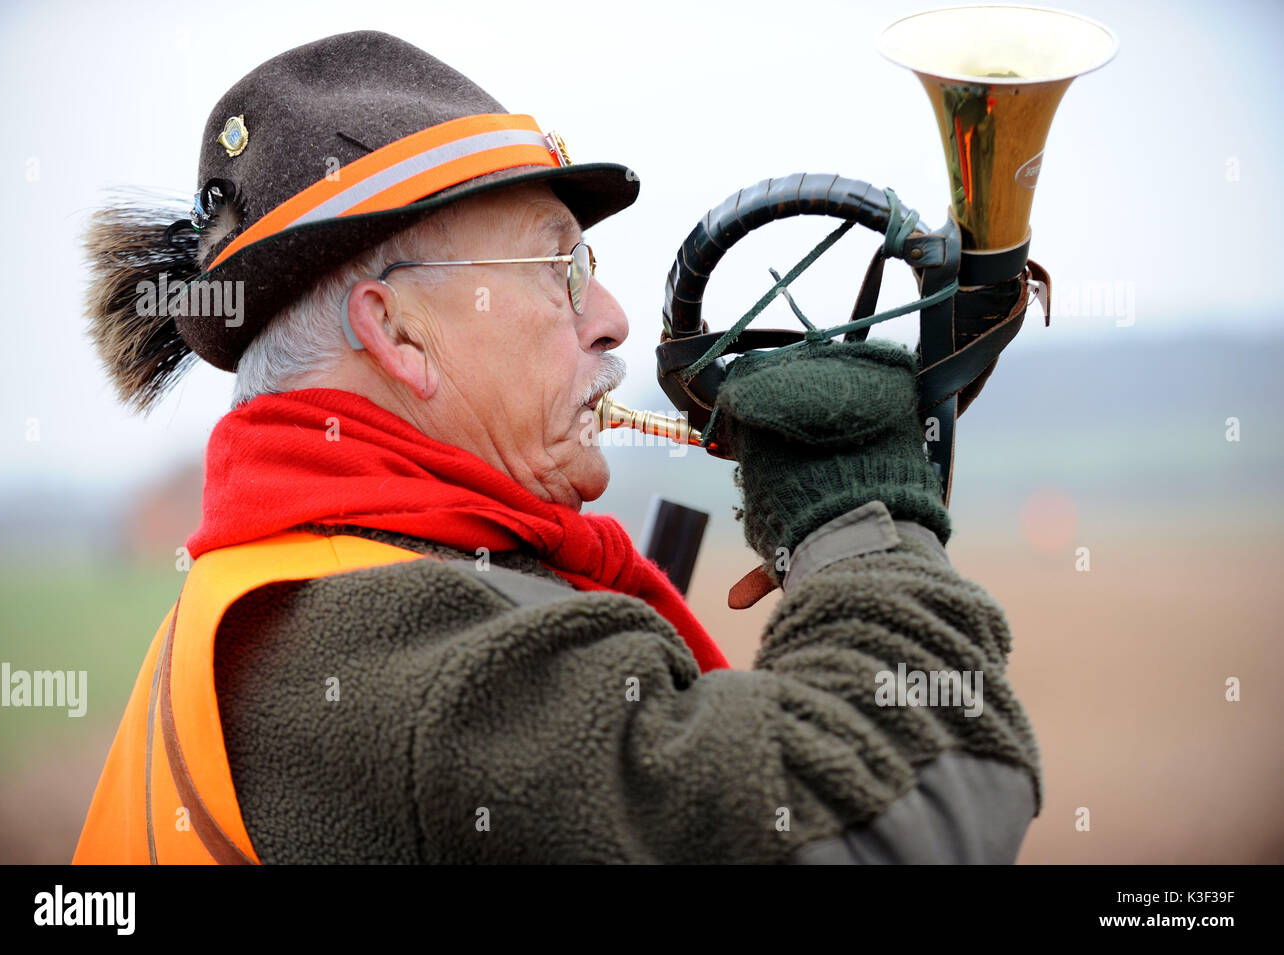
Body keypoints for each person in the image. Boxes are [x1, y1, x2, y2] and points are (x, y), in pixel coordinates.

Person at [72, 30, 1042, 864]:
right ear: (397, 333)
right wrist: (854, 513)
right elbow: (902, 820)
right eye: (558, 266)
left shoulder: (288, 590)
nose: (613, 320)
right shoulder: (421, 667)